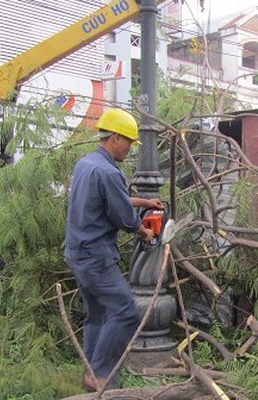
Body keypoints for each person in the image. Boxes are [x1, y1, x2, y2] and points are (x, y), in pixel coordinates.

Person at [64, 108, 163, 391]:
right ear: (116, 138)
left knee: (97, 314)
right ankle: (101, 373)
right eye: (129, 143)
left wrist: (144, 202)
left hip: (77, 253)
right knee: (124, 311)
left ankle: (92, 376)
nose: (130, 150)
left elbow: (107, 199)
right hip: (96, 256)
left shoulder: (86, 164)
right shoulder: (109, 172)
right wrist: (143, 230)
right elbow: (122, 217)